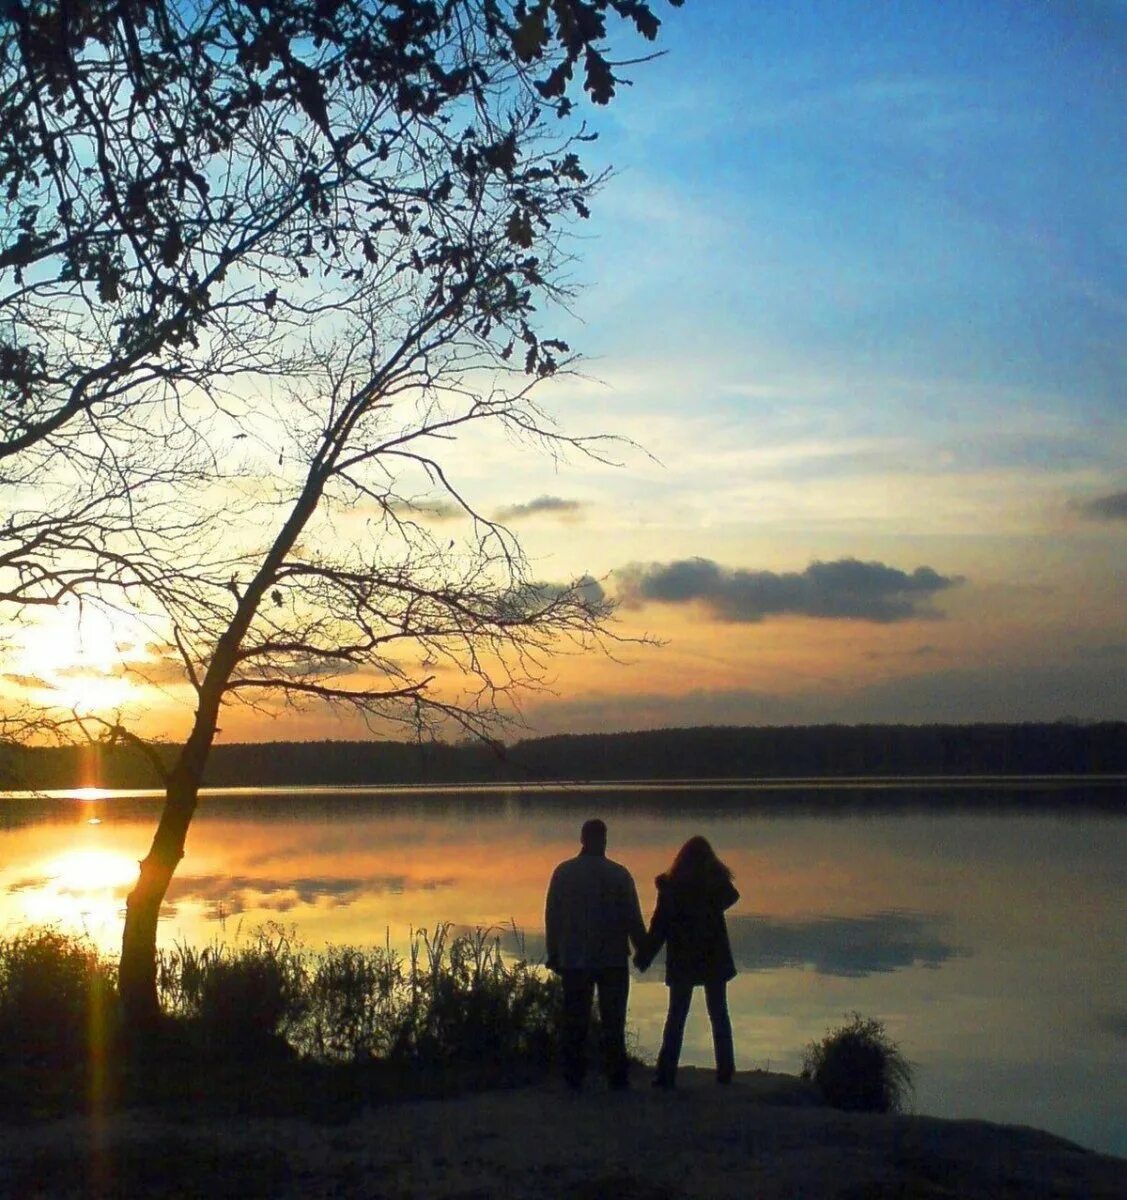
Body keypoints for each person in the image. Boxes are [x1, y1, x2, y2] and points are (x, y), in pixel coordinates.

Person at [544, 818, 648, 1090]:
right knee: (613, 1020)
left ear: (582, 839)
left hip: (574, 958)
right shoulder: (619, 874)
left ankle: (574, 1076)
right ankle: (616, 1075)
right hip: (612, 958)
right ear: (604, 840)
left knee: (575, 1019)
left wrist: (554, 952)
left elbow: (552, 917)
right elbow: (632, 918)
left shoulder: (564, 873)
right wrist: (643, 951)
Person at [634, 835, 739, 1088]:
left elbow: (659, 927)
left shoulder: (672, 889)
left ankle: (666, 1074)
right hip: (713, 958)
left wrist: (644, 956)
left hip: (683, 959)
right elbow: (731, 895)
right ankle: (725, 1072)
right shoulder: (714, 889)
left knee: (677, 1016)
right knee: (719, 1014)